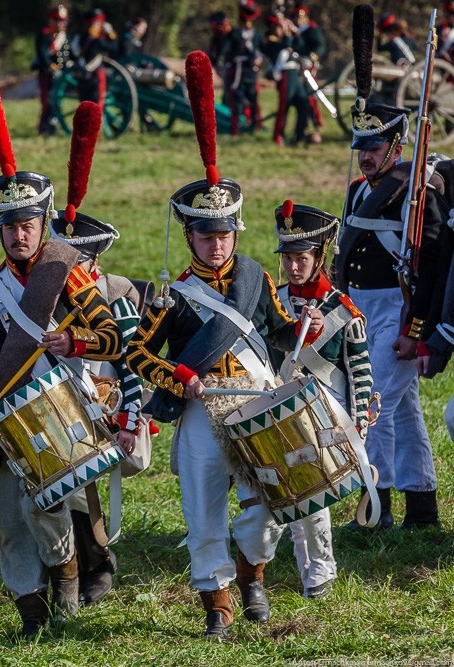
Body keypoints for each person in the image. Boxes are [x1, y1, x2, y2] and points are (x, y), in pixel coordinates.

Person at [126, 51, 323, 640]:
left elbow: (281, 329)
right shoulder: (172, 296)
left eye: (226, 234)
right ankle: (218, 605)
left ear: (237, 231)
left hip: (258, 401)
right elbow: (137, 355)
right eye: (206, 235)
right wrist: (178, 378)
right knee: (203, 512)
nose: (217, 245)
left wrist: (306, 325)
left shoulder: (257, 278)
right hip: (199, 405)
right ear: (189, 234)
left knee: (269, 504)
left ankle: (254, 574)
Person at [0, 66, 129, 637]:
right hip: (5, 413)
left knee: (50, 514)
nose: (19, 234)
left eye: (28, 223)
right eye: (9, 225)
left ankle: (67, 586)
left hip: (62, 411)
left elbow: (114, 337)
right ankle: (30, 611)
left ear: (43, 222)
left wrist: (75, 340)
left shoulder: (68, 275)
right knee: (9, 522)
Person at [333, 102, 446, 531]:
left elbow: (433, 266)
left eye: (375, 146)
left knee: (371, 406)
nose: (366, 155)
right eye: (361, 146)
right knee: (403, 414)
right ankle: (421, 508)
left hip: (398, 313)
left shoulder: (416, 194)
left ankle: (373, 510)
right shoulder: (360, 190)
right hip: (362, 312)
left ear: (396, 146)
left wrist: (416, 329)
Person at [271, 200, 374, 599]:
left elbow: (360, 374)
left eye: (301, 258)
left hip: (324, 413)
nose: (293, 267)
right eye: (288, 259)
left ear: (319, 256)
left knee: (310, 496)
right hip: (277, 406)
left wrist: (358, 425)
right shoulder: (274, 301)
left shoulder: (345, 312)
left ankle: (319, 573)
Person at [49, 211, 145, 606]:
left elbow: (132, 365)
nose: (73, 270)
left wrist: (130, 421)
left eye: (81, 261)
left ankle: (99, 560)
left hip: (108, 408)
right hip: (57, 406)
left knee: (80, 483)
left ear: (95, 262)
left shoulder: (114, 299)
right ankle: (72, 560)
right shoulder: (44, 295)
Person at [261, 14, 313, 147]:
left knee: (304, 105)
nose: (281, 29)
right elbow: (282, 48)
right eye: (279, 26)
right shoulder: (270, 41)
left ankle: (299, 135)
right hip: (285, 76)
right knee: (284, 107)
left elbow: (300, 46)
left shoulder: (287, 39)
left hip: (295, 75)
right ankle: (278, 135)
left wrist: (295, 33)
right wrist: (288, 34)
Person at [221, 0, 265, 135]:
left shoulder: (257, 35)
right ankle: (236, 130)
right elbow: (225, 50)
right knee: (237, 101)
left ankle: (255, 127)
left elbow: (263, 50)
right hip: (238, 72)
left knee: (253, 100)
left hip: (251, 73)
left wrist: (259, 60)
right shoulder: (234, 33)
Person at [33, 4, 71, 136]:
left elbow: (68, 55)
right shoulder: (44, 35)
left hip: (61, 75)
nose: (61, 24)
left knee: (56, 101)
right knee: (47, 100)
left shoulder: (64, 37)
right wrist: (51, 67)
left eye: (63, 21)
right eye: (58, 20)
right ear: (51, 21)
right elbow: (42, 54)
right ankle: (44, 128)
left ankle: (52, 125)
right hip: (47, 74)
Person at [291, 5, 328, 136]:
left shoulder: (312, 28)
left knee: (310, 94)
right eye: (296, 16)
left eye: (300, 16)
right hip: (296, 65)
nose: (298, 19)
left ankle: (317, 121)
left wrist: (315, 55)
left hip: (308, 65)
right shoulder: (294, 30)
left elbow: (320, 45)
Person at [70, 8, 117, 107]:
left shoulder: (81, 37)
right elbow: (113, 48)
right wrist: (110, 33)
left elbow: (113, 49)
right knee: (91, 104)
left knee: (90, 104)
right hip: (90, 76)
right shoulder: (93, 39)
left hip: (88, 76)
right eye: (98, 23)